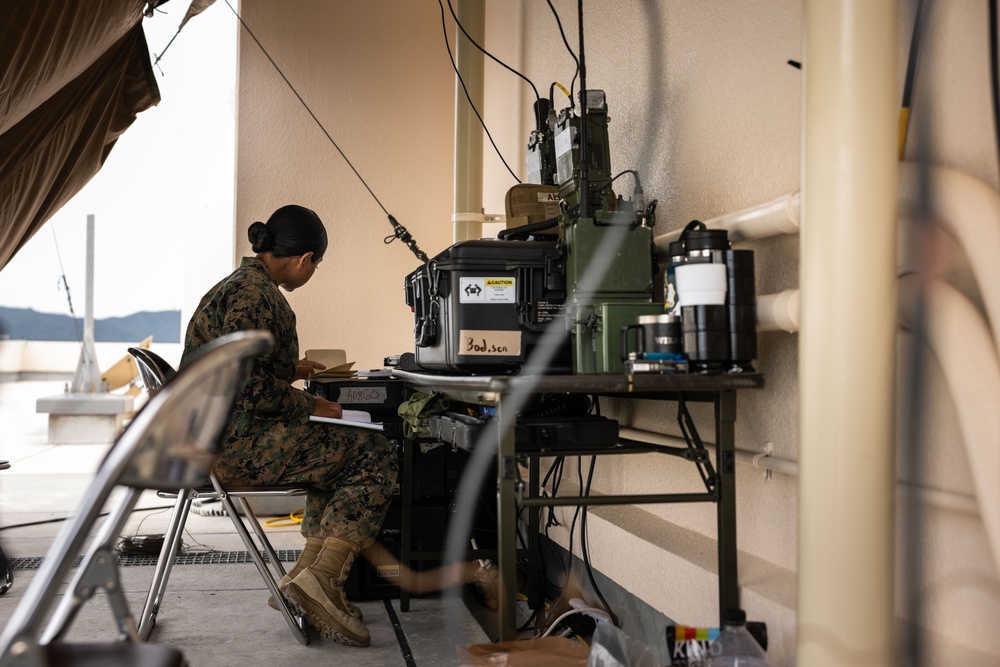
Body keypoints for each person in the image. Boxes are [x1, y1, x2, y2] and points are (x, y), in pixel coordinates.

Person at [182, 204, 397, 647]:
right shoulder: (257, 297)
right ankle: (321, 578)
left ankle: (307, 576)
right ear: (304, 259)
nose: (313, 270)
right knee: (373, 452)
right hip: (232, 448)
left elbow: (240, 372)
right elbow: (245, 388)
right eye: (316, 263)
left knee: (333, 456)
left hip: (211, 438)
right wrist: (310, 402)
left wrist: (290, 369)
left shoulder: (238, 287)